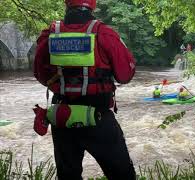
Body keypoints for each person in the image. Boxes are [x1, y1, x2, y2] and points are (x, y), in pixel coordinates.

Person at [33, 0, 136, 179]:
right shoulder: (105, 33)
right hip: (98, 117)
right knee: (122, 175)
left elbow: (40, 73)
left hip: (62, 117)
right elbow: (125, 75)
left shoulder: (50, 34)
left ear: (67, 4)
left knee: (68, 176)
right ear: (92, 5)